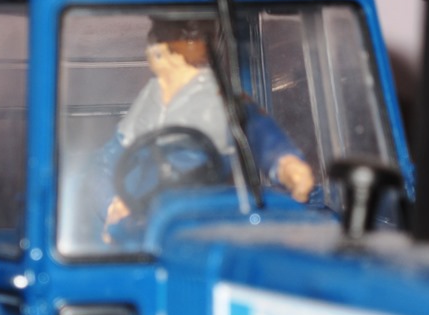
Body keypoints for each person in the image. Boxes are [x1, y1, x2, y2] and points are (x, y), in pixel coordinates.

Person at [96, 18, 314, 240]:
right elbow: (109, 158)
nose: (155, 52)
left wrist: (285, 162)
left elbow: (256, 128)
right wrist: (112, 202)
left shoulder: (219, 96)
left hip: (212, 203)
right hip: (154, 213)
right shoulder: (150, 100)